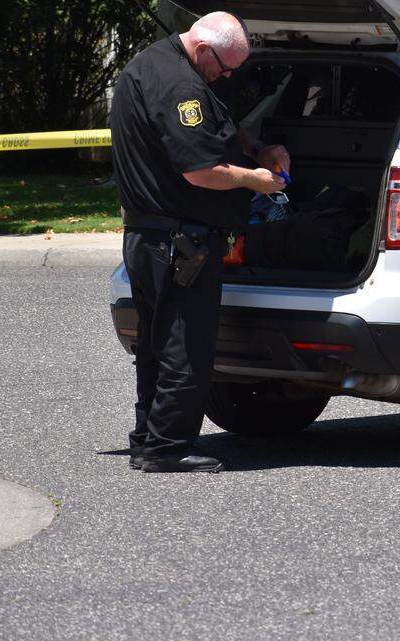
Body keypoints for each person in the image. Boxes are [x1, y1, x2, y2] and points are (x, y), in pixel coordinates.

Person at [110, 12, 289, 473]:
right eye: (225, 67)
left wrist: (253, 148)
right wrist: (256, 179)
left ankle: (147, 439)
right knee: (185, 345)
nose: (226, 76)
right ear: (205, 48)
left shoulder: (154, 64)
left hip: (148, 237)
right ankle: (168, 448)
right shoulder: (181, 88)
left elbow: (207, 131)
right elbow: (200, 170)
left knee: (154, 342)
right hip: (179, 241)